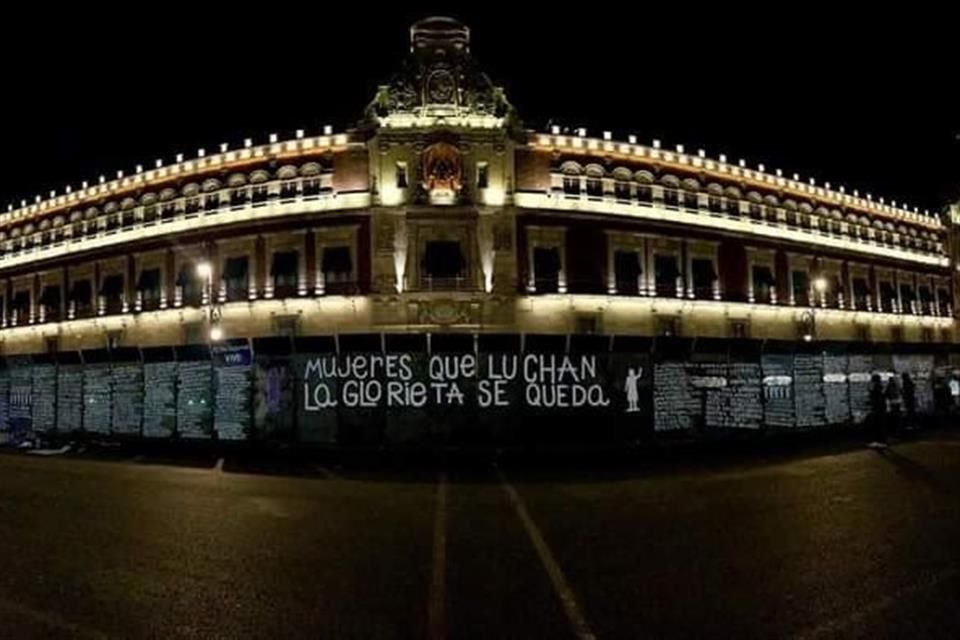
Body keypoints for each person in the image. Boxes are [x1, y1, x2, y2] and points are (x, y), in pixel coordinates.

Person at [867, 374, 888, 449]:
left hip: (878, 409)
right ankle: (880, 441)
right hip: (881, 409)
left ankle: (880, 441)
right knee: (879, 425)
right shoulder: (880, 387)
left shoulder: (876, 388)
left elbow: (875, 398)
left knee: (877, 425)